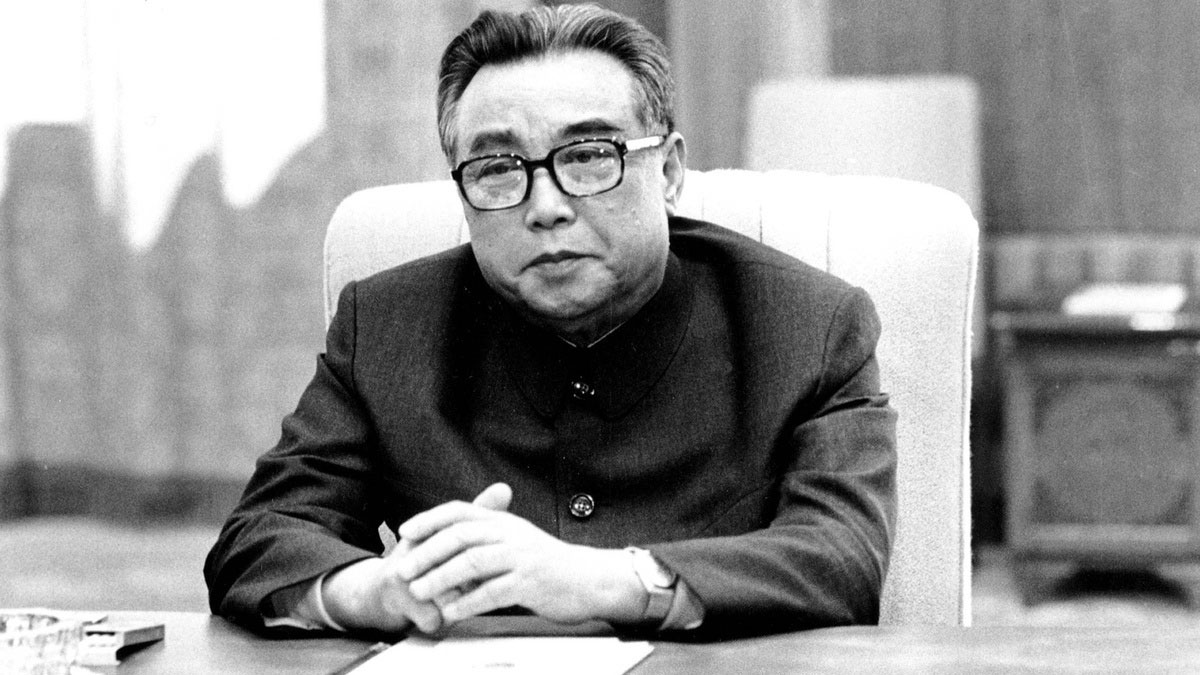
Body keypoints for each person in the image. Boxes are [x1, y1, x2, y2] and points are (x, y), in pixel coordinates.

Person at [204, 4, 896, 641]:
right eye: (498, 169)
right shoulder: (386, 328)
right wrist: (377, 590)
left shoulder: (808, 326)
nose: (545, 207)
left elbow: (841, 557)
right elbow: (258, 539)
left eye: (589, 156)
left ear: (668, 172)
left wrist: (605, 580)